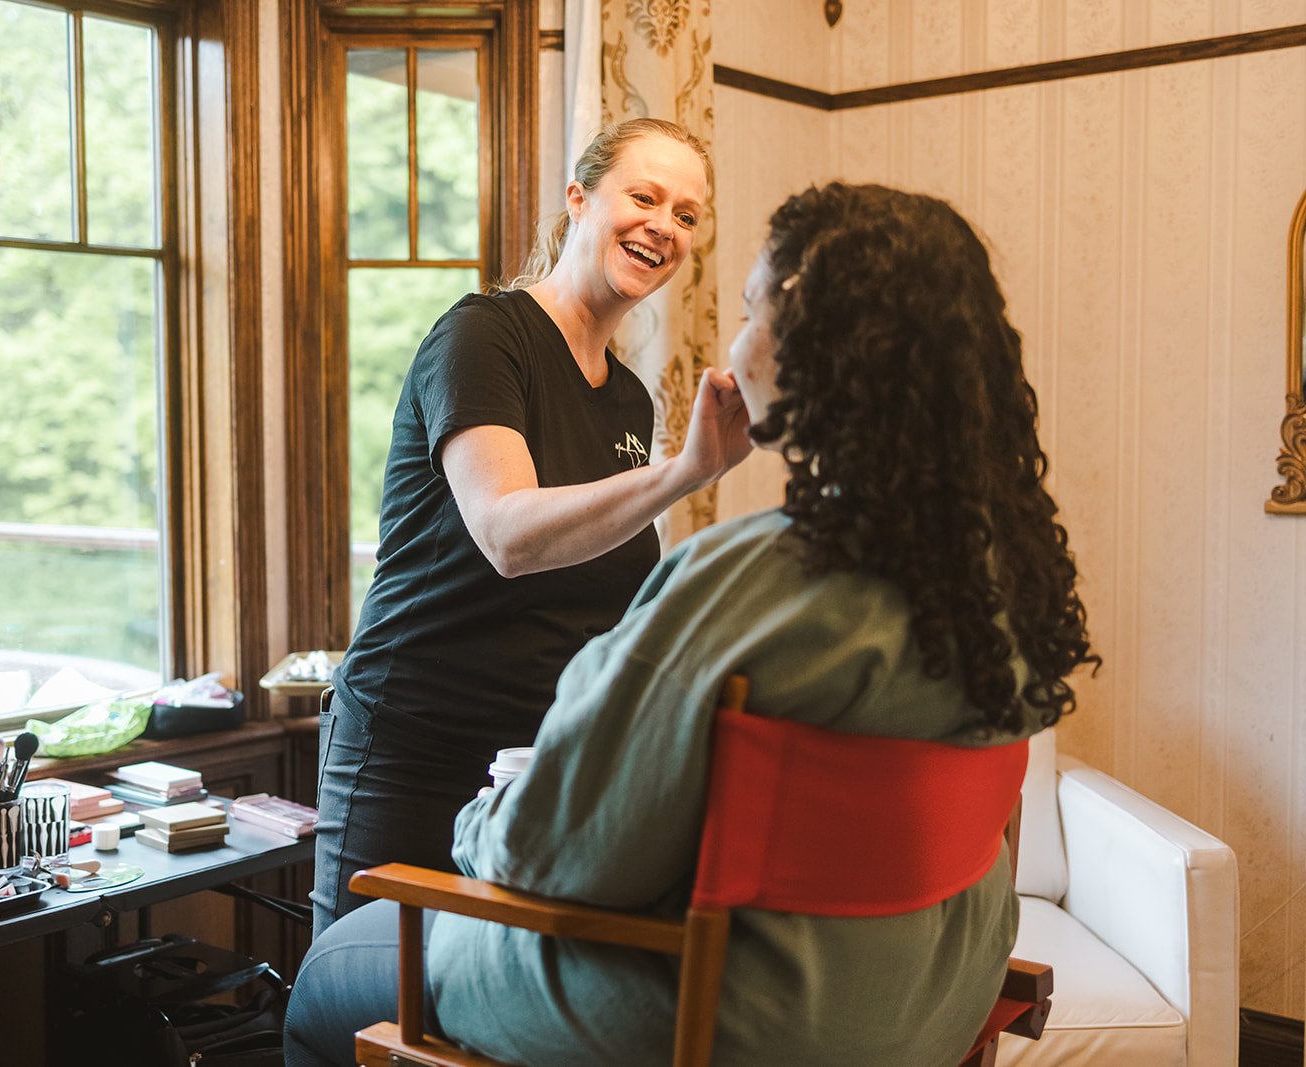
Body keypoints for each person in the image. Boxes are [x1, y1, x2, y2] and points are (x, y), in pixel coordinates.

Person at [283, 182, 1103, 1066]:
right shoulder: (999, 583)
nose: (736, 342)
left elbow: (553, 855)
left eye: (751, 312)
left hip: (725, 1013)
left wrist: (483, 818)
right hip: (919, 1004)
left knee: (333, 963)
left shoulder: (748, 582)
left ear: (810, 350)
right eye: (645, 197)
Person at [313, 119, 752, 934]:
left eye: (687, 215)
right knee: (357, 1006)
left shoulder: (628, 398)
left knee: (479, 1030)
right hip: (412, 743)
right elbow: (509, 535)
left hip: (532, 766)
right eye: (645, 196)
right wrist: (685, 473)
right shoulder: (484, 336)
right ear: (580, 199)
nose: (665, 224)